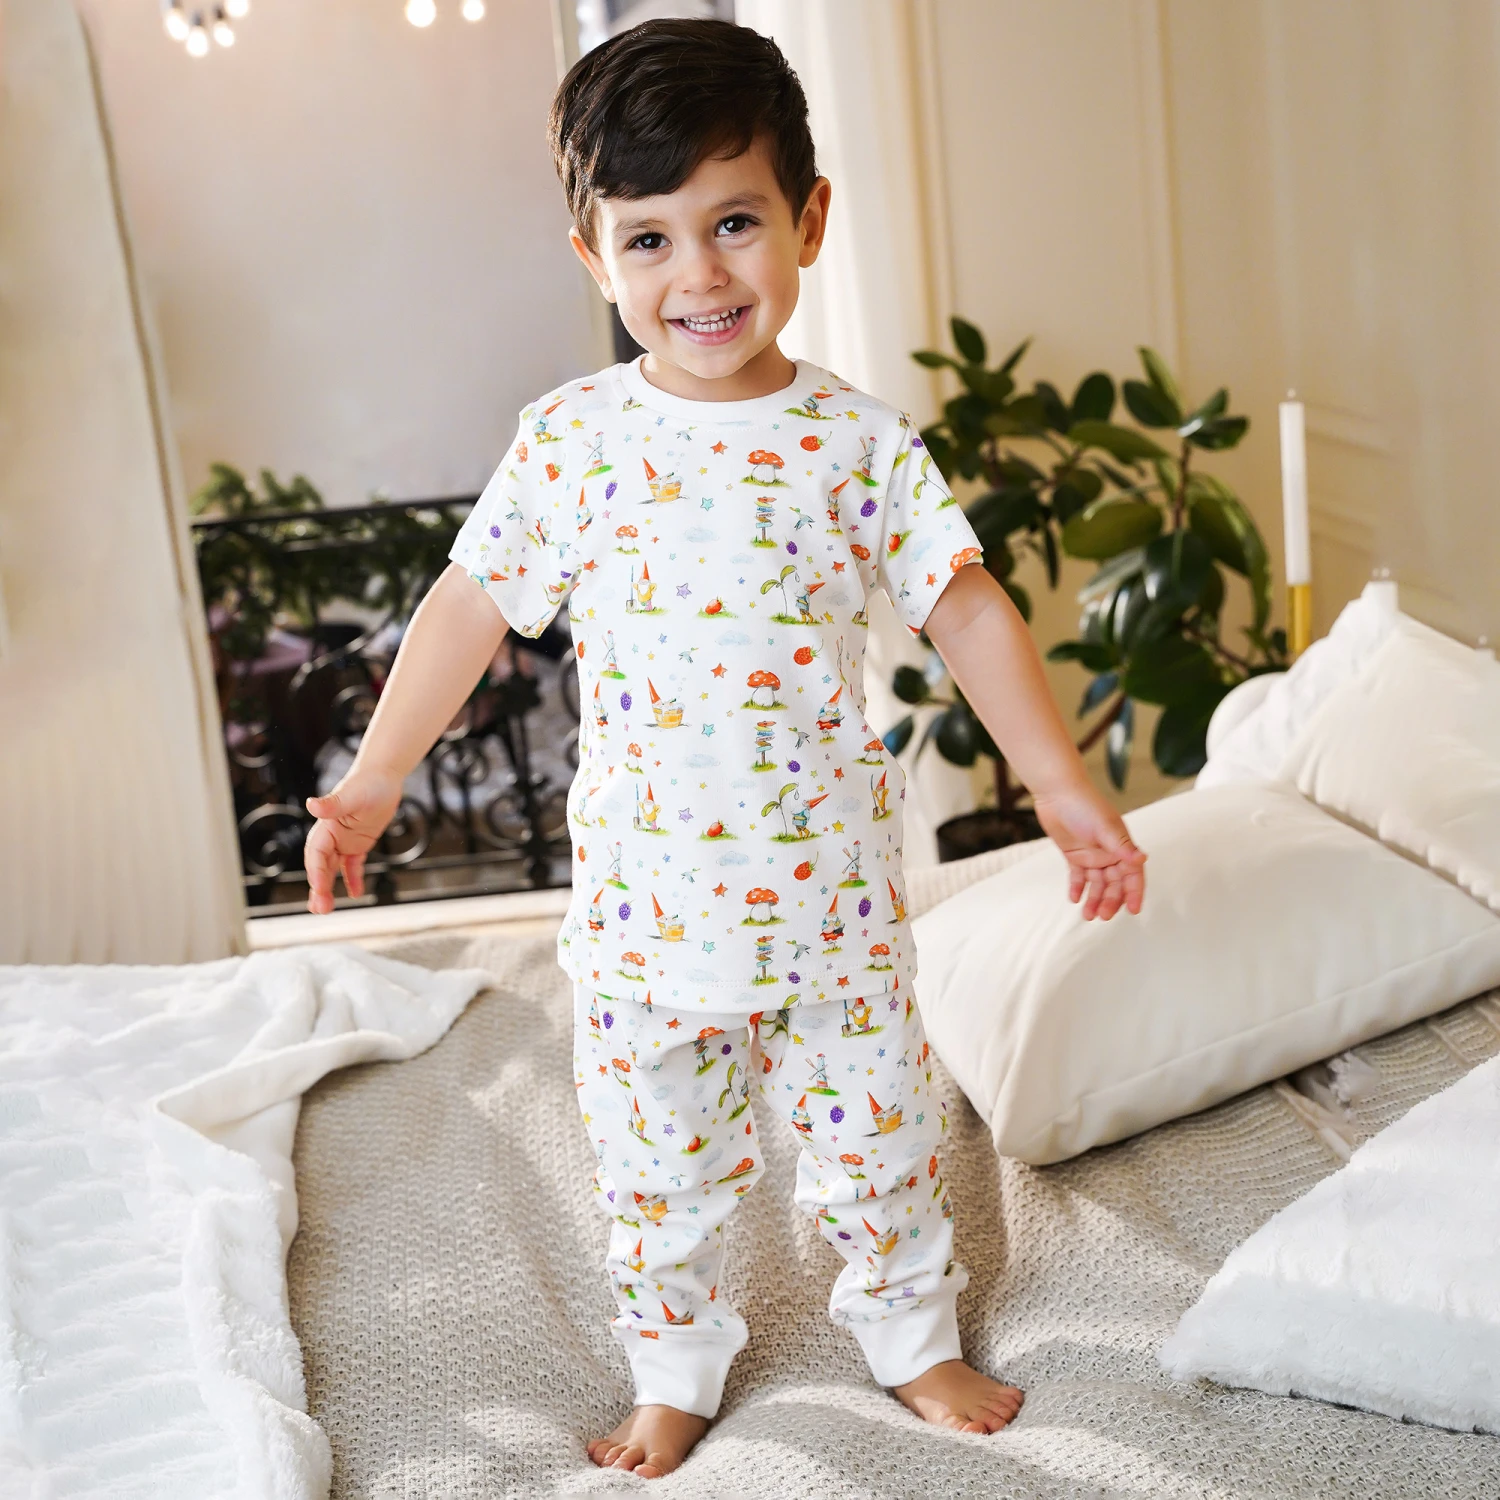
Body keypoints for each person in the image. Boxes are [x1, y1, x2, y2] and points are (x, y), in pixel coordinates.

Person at [302, 17, 1147, 1480]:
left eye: (735, 223)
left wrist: (1062, 788)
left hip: (832, 905)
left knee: (881, 1135)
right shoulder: (572, 440)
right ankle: (675, 1367)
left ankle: (913, 1336)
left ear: (809, 220)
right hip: (647, 914)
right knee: (655, 1165)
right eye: (650, 240)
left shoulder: (858, 443)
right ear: (595, 257)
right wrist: (376, 777)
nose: (697, 275)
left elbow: (965, 607)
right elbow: (467, 606)